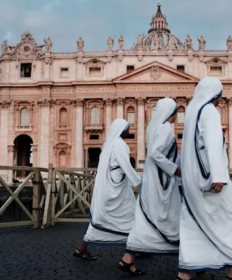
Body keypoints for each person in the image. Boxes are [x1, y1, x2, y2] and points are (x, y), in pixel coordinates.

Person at [177, 77, 232, 280]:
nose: (219, 101)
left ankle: (185, 273)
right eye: (219, 97)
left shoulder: (191, 111)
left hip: (192, 180)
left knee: (194, 224)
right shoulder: (208, 111)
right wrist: (218, 175)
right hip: (209, 180)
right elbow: (213, 143)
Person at [118, 98, 182, 275]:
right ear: (172, 113)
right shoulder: (167, 129)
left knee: (147, 216)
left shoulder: (153, 127)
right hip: (163, 181)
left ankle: (128, 257)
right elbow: (155, 153)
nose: (178, 115)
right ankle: (192, 263)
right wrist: (175, 170)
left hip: (154, 180)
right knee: (172, 217)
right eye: (177, 111)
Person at [73, 119, 141, 260]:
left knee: (100, 219)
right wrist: (138, 181)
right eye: (127, 128)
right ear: (122, 130)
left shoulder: (107, 144)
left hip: (110, 185)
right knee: (133, 215)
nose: (129, 130)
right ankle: (133, 251)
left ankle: (82, 248)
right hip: (118, 188)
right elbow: (126, 165)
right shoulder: (120, 144)